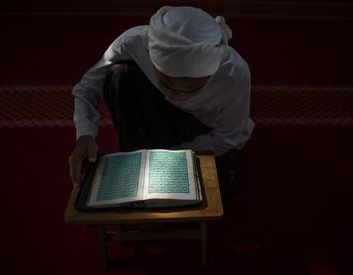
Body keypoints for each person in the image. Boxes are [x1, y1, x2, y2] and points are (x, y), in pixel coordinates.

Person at [68, 6, 255, 201]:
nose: (177, 96)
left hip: (202, 127)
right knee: (118, 76)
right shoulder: (133, 42)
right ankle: (136, 153)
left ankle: (150, 156)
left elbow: (228, 136)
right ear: (150, 56)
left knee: (219, 193)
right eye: (167, 84)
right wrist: (85, 133)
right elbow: (86, 88)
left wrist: (171, 157)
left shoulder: (235, 74)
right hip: (155, 107)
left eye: (191, 91)